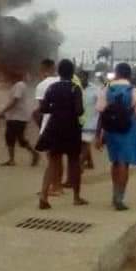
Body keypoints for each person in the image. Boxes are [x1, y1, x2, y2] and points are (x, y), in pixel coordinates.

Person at [95, 62, 136, 211]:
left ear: (117, 73)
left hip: (110, 130)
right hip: (128, 130)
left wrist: (98, 135)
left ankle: (114, 193)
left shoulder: (106, 89)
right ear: (129, 75)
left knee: (115, 161)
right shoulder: (135, 91)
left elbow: (100, 113)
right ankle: (120, 197)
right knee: (124, 163)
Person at [36, 59, 85, 210]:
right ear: (72, 73)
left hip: (54, 127)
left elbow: (43, 109)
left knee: (53, 162)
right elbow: (79, 111)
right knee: (74, 162)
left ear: (59, 72)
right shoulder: (75, 88)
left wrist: (56, 110)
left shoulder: (52, 87)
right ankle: (76, 197)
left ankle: (44, 196)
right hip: (71, 128)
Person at [0, 71, 38, 167]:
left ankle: (15, 159)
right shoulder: (19, 85)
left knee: (13, 138)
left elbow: (15, 100)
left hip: (17, 117)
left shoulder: (19, 85)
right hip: (16, 117)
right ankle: (15, 159)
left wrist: (3, 111)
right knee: (16, 138)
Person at [78, 70, 100, 170]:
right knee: (82, 142)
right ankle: (90, 163)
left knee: (86, 142)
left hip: (92, 120)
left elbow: (101, 104)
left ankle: (79, 165)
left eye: (83, 77)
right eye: (79, 77)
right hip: (79, 120)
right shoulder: (75, 88)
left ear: (87, 78)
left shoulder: (95, 89)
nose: (81, 79)